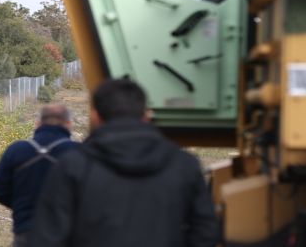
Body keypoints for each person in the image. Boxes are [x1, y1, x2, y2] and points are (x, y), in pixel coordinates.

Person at [30, 78, 219, 247]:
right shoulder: (184, 164)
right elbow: (206, 232)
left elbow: (47, 238)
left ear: (96, 117)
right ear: (146, 115)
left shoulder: (72, 166)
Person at [0, 103, 79, 247]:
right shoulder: (79, 152)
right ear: (68, 124)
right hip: (68, 231)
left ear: (38, 124)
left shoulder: (16, 150)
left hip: (27, 229)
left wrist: (22, 206)